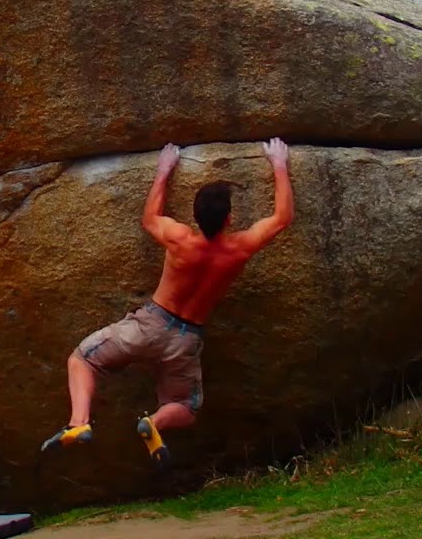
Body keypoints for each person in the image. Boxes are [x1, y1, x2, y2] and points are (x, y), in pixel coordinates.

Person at [41, 138, 294, 464]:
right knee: (186, 408)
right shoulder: (239, 249)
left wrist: (164, 169)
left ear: (194, 216)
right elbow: (282, 218)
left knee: (82, 360)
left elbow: (150, 218)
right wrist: (279, 164)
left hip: (150, 325)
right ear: (229, 219)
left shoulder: (179, 239)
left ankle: (79, 423)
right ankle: (154, 423)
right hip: (185, 341)